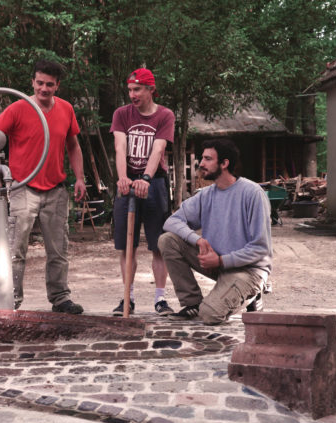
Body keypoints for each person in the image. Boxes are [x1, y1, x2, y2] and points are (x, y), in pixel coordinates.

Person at [0, 59, 86, 314]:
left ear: (57, 86)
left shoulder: (66, 109)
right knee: (15, 249)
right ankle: (11, 300)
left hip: (55, 188)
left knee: (58, 249)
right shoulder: (18, 108)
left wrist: (81, 178)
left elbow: (73, 145)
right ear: (32, 82)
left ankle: (60, 298)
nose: (44, 88)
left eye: (49, 84)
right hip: (23, 188)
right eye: (39, 83)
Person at [158, 138, 272, 324]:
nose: (201, 164)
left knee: (210, 315)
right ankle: (192, 302)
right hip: (218, 264)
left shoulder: (252, 194)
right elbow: (171, 222)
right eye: (202, 158)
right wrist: (197, 240)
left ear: (224, 163)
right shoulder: (206, 195)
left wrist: (220, 260)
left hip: (249, 271)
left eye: (207, 159)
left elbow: (261, 249)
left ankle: (254, 294)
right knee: (168, 240)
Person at [110, 68, 175, 316]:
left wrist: (146, 177)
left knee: (159, 244)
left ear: (150, 90)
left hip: (154, 182)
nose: (132, 94)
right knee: (126, 246)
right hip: (127, 182)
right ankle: (128, 297)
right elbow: (119, 147)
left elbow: (158, 149)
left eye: (137, 89)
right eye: (129, 89)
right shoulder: (122, 114)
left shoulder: (165, 115)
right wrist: (123, 178)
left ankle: (160, 299)